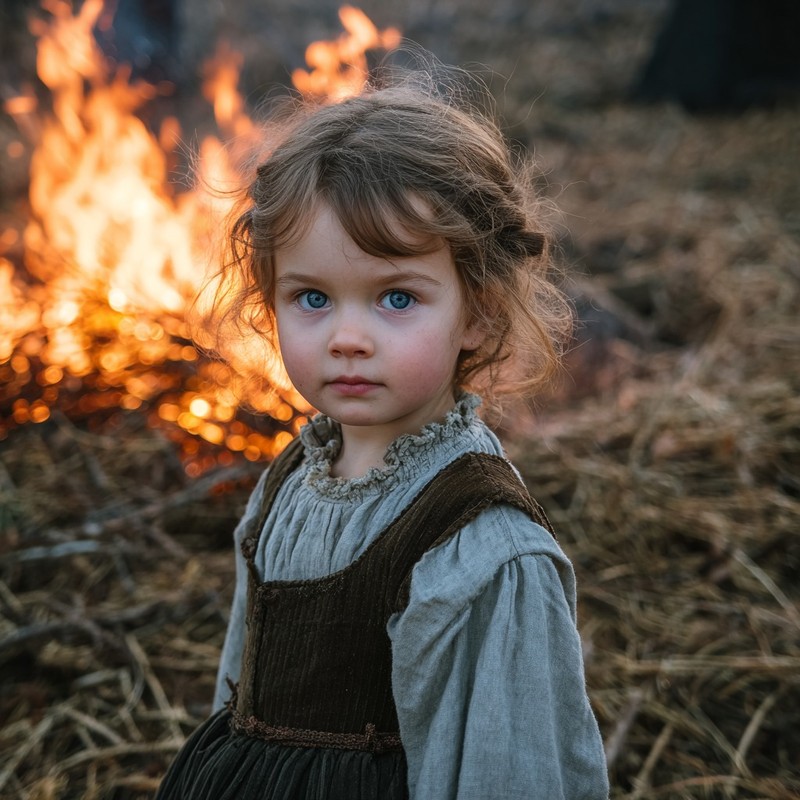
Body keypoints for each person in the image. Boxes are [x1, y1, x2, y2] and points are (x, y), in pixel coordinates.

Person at [157, 62, 609, 800]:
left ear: (480, 313)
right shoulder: (288, 483)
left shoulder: (479, 547)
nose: (347, 337)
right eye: (312, 298)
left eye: (396, 296)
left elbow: (512, 768)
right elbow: (240, 698)